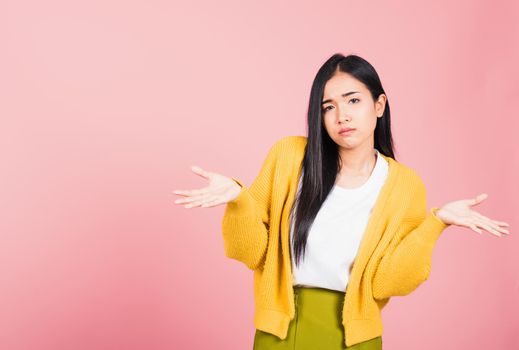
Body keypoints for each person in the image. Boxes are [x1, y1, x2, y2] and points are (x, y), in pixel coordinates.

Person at [172, 53, 511, 349]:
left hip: (355, 338)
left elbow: (387, 283)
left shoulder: (404, 185)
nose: (341, 116)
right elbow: (250, 253)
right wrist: (240, 199)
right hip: (283, 330)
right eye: (328, 107)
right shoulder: (289, 157)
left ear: (379, 105)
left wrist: (436, 222)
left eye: (353, 101)